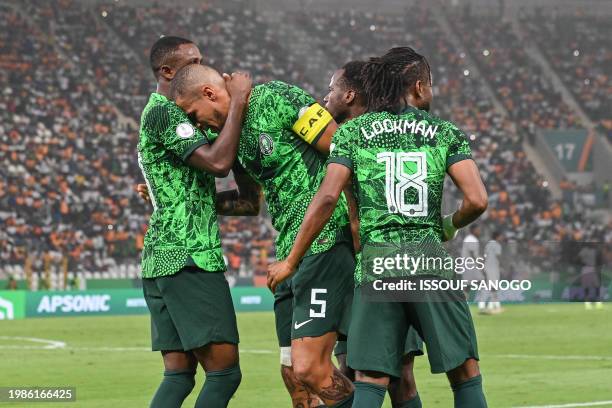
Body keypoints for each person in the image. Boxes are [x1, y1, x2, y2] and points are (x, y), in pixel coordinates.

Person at [268, 47, 489, 408]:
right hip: (427, 259)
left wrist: (291, 261)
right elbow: (477, 200)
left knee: (370, 378)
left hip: (377, 265)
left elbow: (326, 199)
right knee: (464, 372)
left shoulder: (352, 134)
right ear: (418, 86)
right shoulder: (443, 132)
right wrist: (447, 225)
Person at [170, 64, 356, 407]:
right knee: (292, 374)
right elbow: (247, 202)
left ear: (210, 94)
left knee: (311, 368)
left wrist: (356, 227)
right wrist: (187, 199)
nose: (196, 124)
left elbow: (345, 154)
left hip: (324, 241)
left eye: (194, 114)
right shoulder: (232, 134)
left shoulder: (278, 98)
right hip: (288, 253)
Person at [138, 36, 251, 408]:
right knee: (224, 373)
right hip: (188, 258)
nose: (206, 65)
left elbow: (231, 196)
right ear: (168, 71)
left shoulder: (166, 116)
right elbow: (218, 164)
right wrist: (237, 102)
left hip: (164, 258)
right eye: (195, 61)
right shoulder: (164, 112)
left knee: (179, 375)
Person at [324, 60, 424, 408]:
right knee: (346, 369)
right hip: (343, 274)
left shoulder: (381, 143)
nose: (325, 98)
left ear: (350, 95)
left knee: (400, 376)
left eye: (332, 89)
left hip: (383, 269)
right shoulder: (329, 138)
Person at [482, 230, 504, 314]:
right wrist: (502, 266)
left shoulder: (488, 244)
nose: (501, 238)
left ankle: (493, 306)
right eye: (500, 236)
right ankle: (492, 306)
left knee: (491, 286)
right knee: (493, 287)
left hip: (487, 267)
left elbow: (485, 256)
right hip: (494, 268)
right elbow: (498, 256)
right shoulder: (497, 245)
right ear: (497, 236)